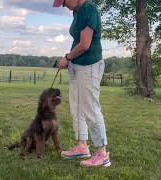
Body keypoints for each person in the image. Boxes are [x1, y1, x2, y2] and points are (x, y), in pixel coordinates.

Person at [53, 0, 110, 167]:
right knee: (76, 107)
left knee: (90, 108)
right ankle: (82, 146)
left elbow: (85, 44)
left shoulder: (88, 9)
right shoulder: (76, 11)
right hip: (76, 66)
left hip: (90, 65)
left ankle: (102, 154)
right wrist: (69, 60)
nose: (64, 6)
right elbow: (78, 41)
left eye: (64, 2)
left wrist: (67, 57)